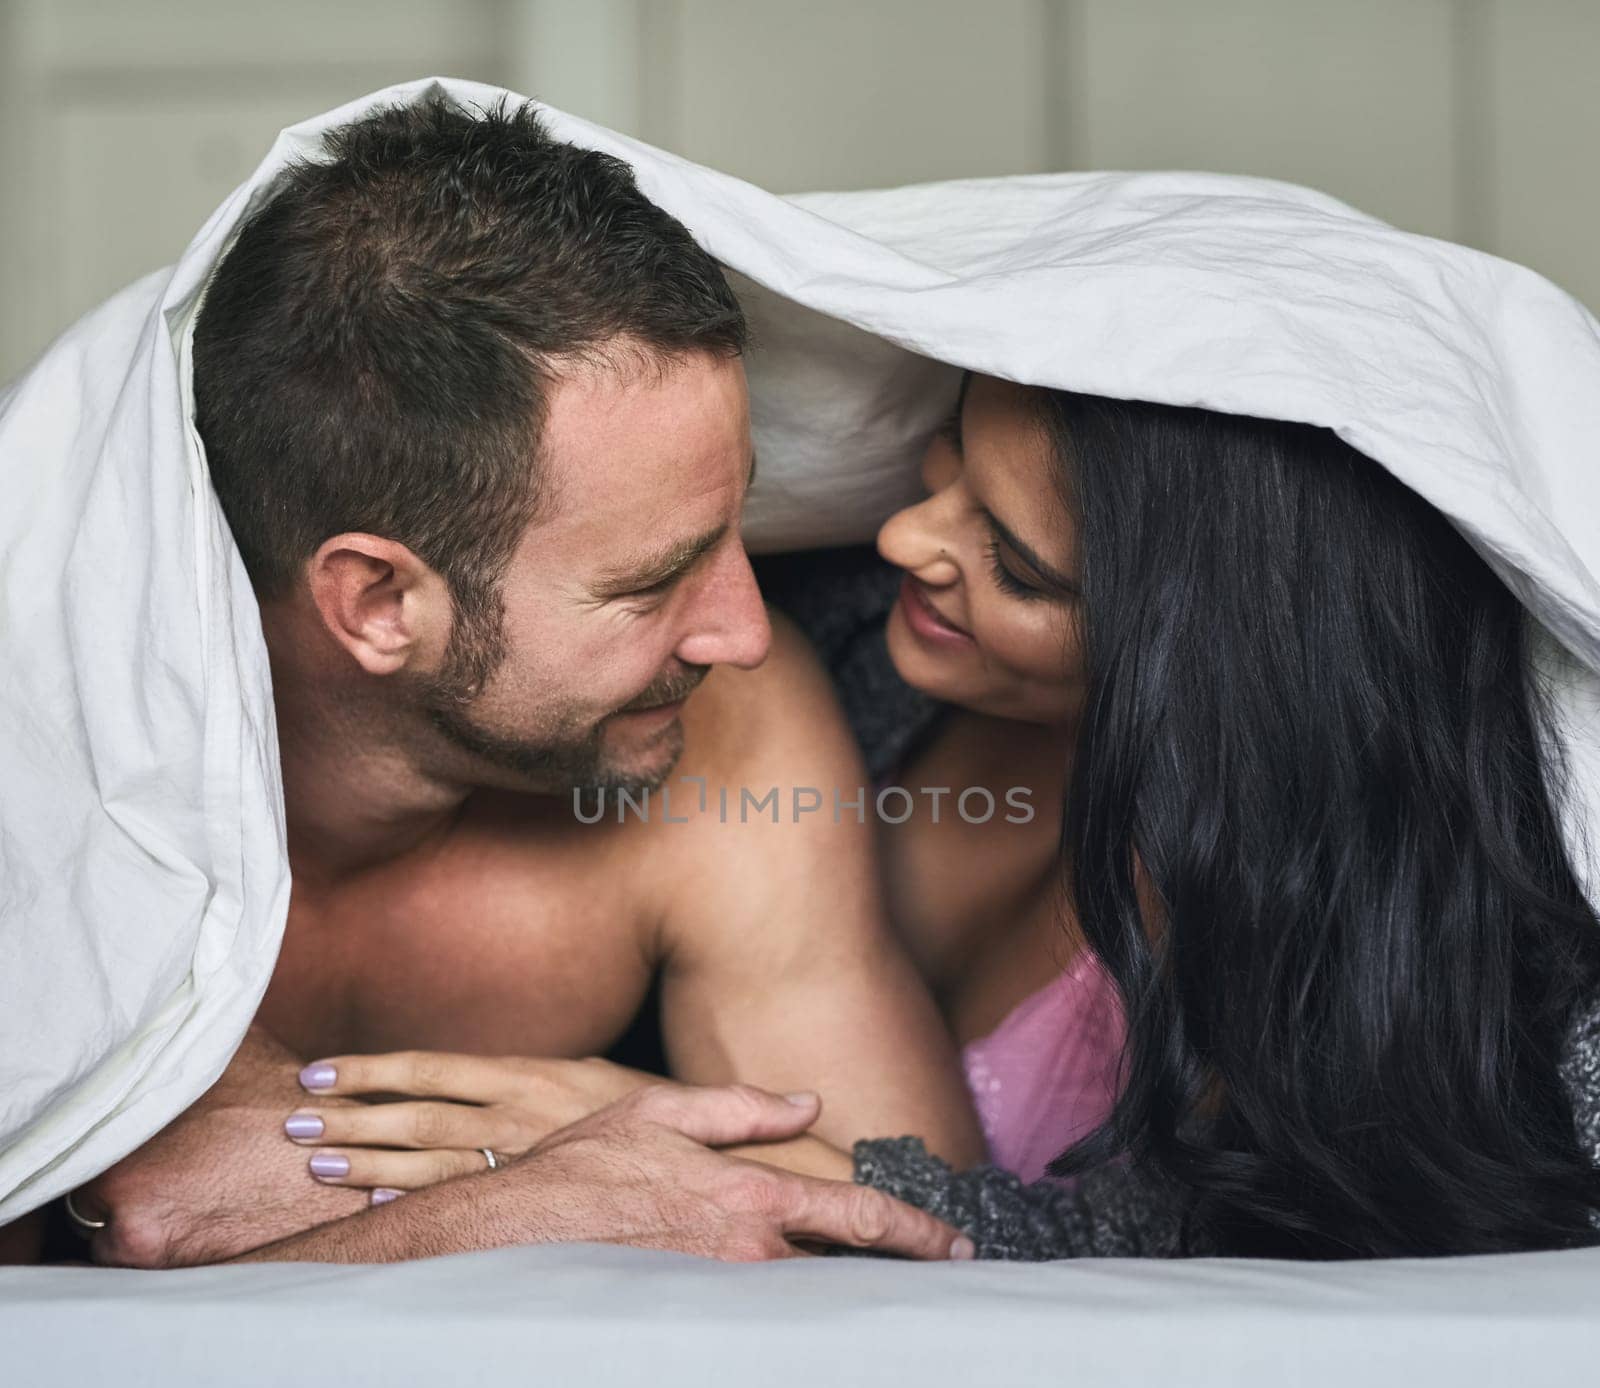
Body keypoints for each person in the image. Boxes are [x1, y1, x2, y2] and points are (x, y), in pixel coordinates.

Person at [55, 97, 985, 1270]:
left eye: (737, 524)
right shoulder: (45, 756)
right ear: (378, 604)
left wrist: (495, 1198)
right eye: (652, 583)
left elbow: (919, 1244)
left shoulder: (729, 734)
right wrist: (535, 1199)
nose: (748, 632)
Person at [839, 371, 1600, 1260]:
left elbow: (1164, 1263)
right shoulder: (841, 647)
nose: (901, 536)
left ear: (1200, 654)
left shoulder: (1317, 963)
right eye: (951, 454)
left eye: (1017, 569)